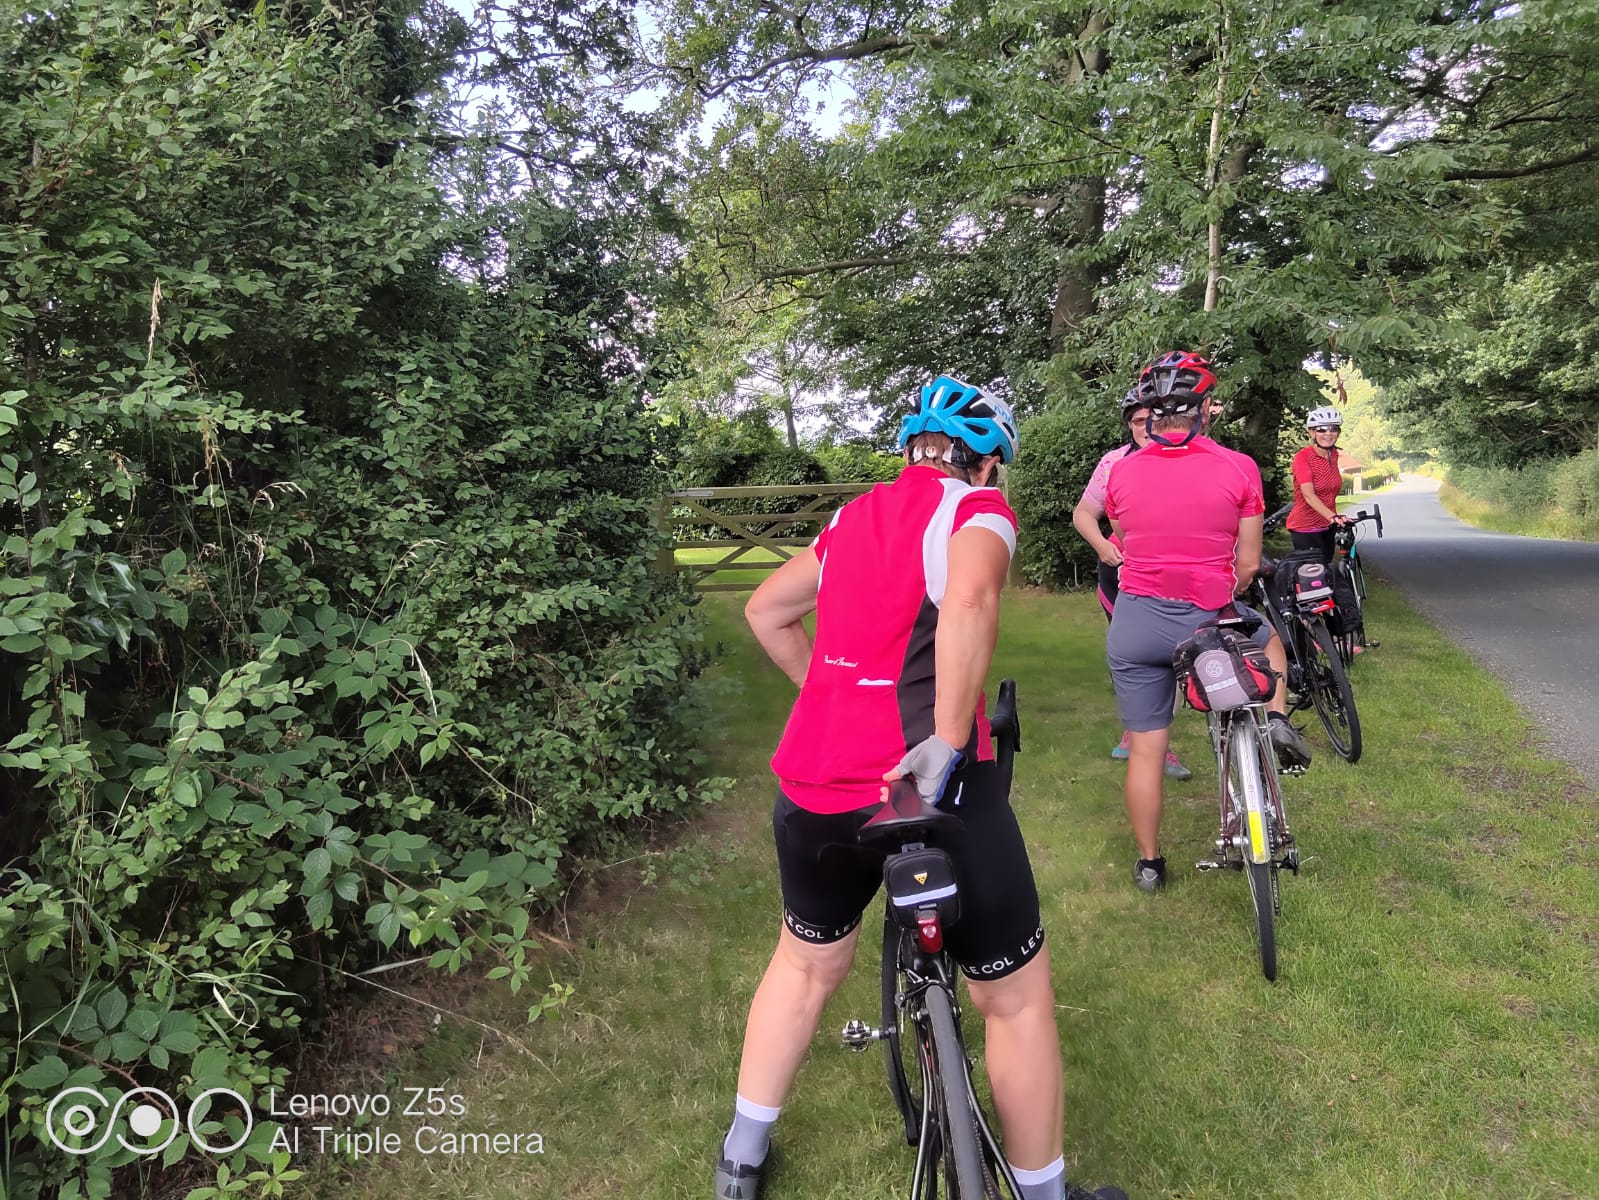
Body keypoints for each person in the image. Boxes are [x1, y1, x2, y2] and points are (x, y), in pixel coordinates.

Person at [718, 375, 1124, 1200]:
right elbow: (971, 594)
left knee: (801, 965)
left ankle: (740, 1157)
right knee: (1011, 1001)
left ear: (910, 448)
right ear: (989, 463)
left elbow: (765, 611)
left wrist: (827, 700)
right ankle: (1042, 1192)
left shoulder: (848, 519)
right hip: (926, 792)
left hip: (812, 786)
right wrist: (941, 736)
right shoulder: (973, 510)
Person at [1103, 351, 1312, 893]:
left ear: (1149, 413)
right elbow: (1246, 564)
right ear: (1205, 410)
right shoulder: (1238, 468)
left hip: (1136, 625)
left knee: (1147, 748)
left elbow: (1130, 540)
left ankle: (1149, 863)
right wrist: (1230, 588)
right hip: (1207, 623)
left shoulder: (1122, 471)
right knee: (1268, 645)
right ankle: (1276, 718)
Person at [1072, 388, 1193, 781]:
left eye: (1152, 419)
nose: (1146, 427)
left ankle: (1154, 744)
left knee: (1177, 661)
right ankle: (1142, 737)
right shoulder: (1114, 463)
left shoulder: (1187, 458)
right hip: (1120, 576)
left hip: (1175, 577)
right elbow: (1084, 513)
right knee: (1139, 663)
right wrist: (1103, 545)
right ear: (1129, 424)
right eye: (1138, 421)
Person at [1286, 405, 1363, 650]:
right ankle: (1316, 635)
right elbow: (1308, 495)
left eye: (1333, 429)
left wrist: (1335, 517)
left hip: (1326, 526)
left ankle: (1332, 634)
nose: (1328, 433)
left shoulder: (1334, 457)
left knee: (1326, 581)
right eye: (1322, 429)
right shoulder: (1303, 458)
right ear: (1312, 432)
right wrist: (1331, 516)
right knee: (1313, 583)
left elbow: (1329, 493)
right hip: (1305, 528)